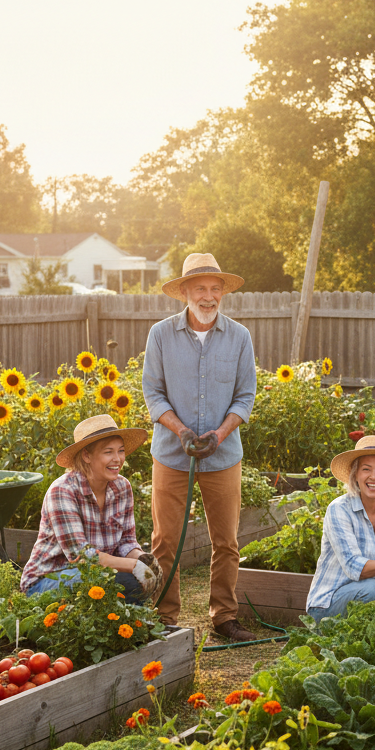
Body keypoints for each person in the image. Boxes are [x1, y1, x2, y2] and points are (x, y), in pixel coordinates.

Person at [141, 253, 258, 641]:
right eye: (200, 289)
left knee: (226, 541)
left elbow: (245, 397)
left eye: (215, 288)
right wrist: (181, 431)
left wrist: (219, 435)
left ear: (222, 292)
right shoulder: (160, 335)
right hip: (173, 455)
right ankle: (166, 618)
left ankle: (224, 617)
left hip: (223, 455)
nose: (208, 297)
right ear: (185, 293)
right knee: (164, 540)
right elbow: (153, 394)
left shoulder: (240, 337)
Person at [20, 415, 158, 600]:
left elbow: (126, 541)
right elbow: (82, 557)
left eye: (121, 451)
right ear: (86, 455)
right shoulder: (63, 491)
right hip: (47, 580)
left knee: (133, 583)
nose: (117, 459)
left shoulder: (122, 487)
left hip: (97, 574)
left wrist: (143, 560)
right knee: (123, 582)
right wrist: (134, 567)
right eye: (108, 452)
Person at [306, 435, 375, 621]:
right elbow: (353, 567)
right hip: (326, 607)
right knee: (374, 589)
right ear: (355, 474)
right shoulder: (339, 509)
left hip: (366, 600)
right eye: (366, 469)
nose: (373, 477)